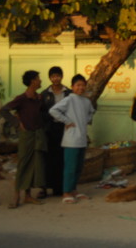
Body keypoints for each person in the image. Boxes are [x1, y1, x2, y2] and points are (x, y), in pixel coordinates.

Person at [1, 70, 46, 208]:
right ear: (32, 81)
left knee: (34, 165)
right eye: (38, 78)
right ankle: (16, 196)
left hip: (38, 135)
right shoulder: (21, 98)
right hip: (26, 135)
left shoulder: (39, 98)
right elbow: (4, 110)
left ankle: (28, 195)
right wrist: (17, 123)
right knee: (23, 164)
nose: (40, 81)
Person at [49, 74, 95, 204]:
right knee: (70, 167)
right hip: (71, 140)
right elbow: (53, 110)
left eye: (83, 85)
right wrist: (67, 121)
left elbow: (91, 112)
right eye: (78, 85)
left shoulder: (86, 101)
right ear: (72, 87)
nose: (81, 88)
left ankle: (74, 190)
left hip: (82, 139)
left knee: (78, 168)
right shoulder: (69, 99)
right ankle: (66, 192)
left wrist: (85, 120)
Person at [40, 66, 71, 197]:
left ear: (61, 77)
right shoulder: (45, 94)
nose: (56, 79)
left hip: (64, 128)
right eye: (53, 76)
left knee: (61, 158)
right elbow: (42, 112)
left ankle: (59, 187)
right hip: (49, 129)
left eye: (58, 76)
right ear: (50, 78)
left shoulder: (68, 93)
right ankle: (44, 188)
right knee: (48, 159)